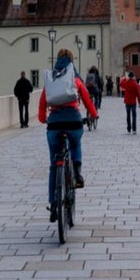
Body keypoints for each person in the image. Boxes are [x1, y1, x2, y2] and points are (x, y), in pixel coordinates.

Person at [38, 49, 98, 217]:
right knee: (75, 141)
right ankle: (77, 172)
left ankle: (53, 204)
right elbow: (86, 97)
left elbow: (42, 104)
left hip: (54, 124)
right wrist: (94, 114)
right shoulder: (74, 78)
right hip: (73, 120)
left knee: (53, 166)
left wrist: (44, 119)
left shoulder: (51, 79)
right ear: (72, 62)